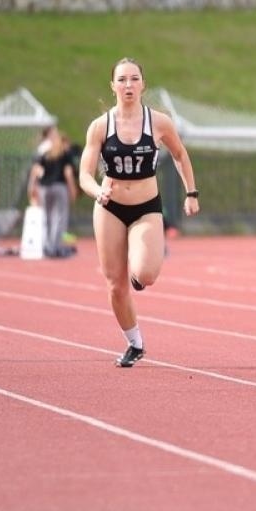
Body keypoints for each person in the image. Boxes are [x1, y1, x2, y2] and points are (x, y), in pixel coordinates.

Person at [78, 57, 200, 368]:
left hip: (146, 207)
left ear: (143, 85)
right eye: (122, 80)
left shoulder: (158, 122)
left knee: (146, 274)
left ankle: (138, 270)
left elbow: (179, 154)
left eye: (134, 79)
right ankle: (134, 342)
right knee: (114, 284)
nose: (128, 85)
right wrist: (97, 191)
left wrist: (191, 192)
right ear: (113, 86)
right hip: (110, 208)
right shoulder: (100, 126)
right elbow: (84, 174)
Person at [32, 127, 78, 258]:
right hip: (59, 185)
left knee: (46, 217)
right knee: (60, 216)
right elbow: (68, 173)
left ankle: (46, 246)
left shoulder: (43, 152)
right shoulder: (64, 152)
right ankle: (56, 246)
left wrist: (33, 187)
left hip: (44, 187)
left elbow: (36, 170)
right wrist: (72, 189)